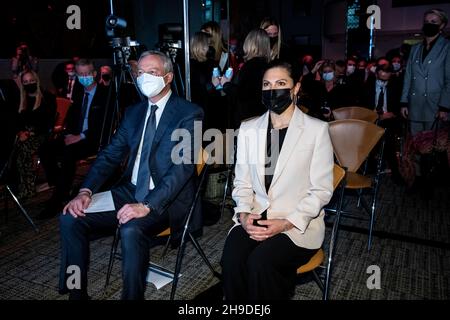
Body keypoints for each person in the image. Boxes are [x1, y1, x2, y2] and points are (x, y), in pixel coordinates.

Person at [58, 51, 204, 300]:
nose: (144, 78)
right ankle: (76, 293)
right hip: (130, 190)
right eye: (141, 73)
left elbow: (183, 169)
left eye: (153, 73)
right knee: (71, 217)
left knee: (131, 228)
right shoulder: (134, 113)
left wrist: (147, 205)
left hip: (165, 200)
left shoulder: (190, 113)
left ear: (168, 77)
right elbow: (109, 156)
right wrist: (85, 191)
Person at [221, 61, 334, 300]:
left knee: (261, 263)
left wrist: (286, 223)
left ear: (295, 88)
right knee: (232, 257)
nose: (273, 90)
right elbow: (241, 183)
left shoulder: (316, 130)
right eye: (267, 84)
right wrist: (243, 214)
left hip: (296, 225)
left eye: (281, 84)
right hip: (257, 215)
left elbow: (321, 190)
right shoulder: (248, 129)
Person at [39, 59, 114, 218]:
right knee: (45, 148)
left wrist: (80, 136)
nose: (84, 77)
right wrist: (67, 134)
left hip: (93, 139)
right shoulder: (78, 92)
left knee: (68, 155)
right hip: (75, 135)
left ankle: (57, 200)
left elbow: (104, 124)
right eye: (81, 74)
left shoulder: (105, 95)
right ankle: (60, 184)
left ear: (94, 74)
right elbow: (72, 118)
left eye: (87, 74)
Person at [400, 8, 450, 194]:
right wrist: (404, 102)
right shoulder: (415, 48)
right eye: (427, 21)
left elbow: (449, 79)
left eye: (434, 21)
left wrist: (445, 106)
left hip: (436, 106)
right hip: (414, 106)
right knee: (414, 145)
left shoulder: (446, 47)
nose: (429, 24)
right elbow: (408, 77)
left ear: (442, 25)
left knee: (430, 147)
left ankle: (429, 182)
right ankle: (417, 179)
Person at [14, 71, 56, 199]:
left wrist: (31, 133)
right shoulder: (21, 98)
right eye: (25, 82)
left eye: (31, 80)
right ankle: (17, 184)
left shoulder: (47, 97)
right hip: (24, 134)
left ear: (36, 81)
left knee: (23, 149)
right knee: (11, 147)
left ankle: (27, 188)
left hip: (41, 134)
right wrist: (21, 131)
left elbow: (48, 123)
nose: (29, 84)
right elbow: (16, 120)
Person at [361, 64, 403, 184]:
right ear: (376, 75)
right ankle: (366, 169)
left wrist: (392, 114)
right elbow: (362, 106)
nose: (383, 83)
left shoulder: (394, 87)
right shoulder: (367, 87)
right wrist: (374, 114)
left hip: (388, 120)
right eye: (381, 80)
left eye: (386, 80)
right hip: (370, 119)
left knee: (389, 140)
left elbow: (398, 107)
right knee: (368, 139)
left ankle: (395, 172)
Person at [221, 28, 271, 128]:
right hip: (261, 116)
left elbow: (243, 95)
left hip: (248, 119)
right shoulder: (267, 65)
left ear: (249, 43)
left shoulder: (251, 66)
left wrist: (226, 84)